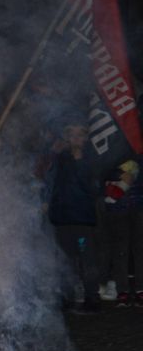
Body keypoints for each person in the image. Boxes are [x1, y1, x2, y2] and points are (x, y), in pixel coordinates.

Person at [44, 122, 101, 312]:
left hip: (82, 219)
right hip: (63, 218)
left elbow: (94, 188)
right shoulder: (60, 157)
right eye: (72, 134)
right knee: (65, 260)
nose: (76, 138)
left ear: (86, 138)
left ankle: (92, 298)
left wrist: (79, 162)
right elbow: (48, 179)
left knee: (87, 259)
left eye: (80, 135)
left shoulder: (92, 158)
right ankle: (67, 297)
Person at [102, 159, 142, 306]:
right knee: (120, 250)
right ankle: (122, 290)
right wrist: (120, 174)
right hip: (118, 208)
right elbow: (100, 168)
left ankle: (140, 289)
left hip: (139, 204)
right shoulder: (115, 150)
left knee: (140, 249)